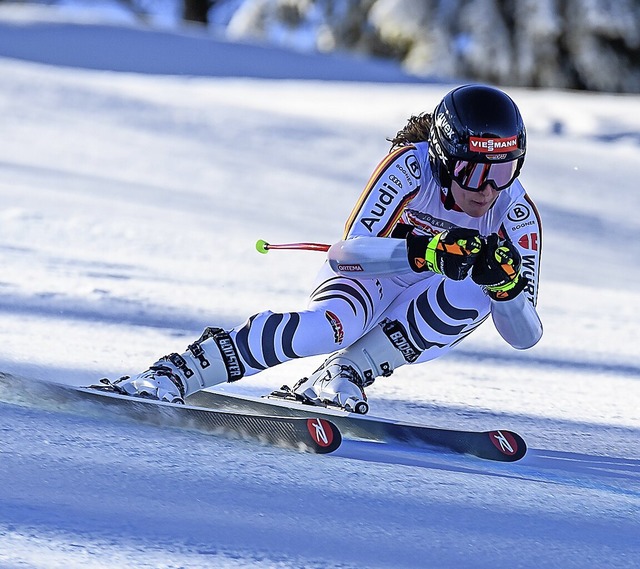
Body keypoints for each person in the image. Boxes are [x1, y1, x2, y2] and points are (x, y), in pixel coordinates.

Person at [101, 84, 543, 414]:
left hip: (422, 295)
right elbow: (347, 255)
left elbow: (526, 336)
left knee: (479, 290)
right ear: (443, 159)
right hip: (373, 276)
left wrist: (507, 290)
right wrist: (427, 251)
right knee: (330, 328)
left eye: (503, 171)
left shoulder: (516, 214)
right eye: (471, 171)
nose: (487, 189)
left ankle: (345, 373)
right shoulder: (411, 166)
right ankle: (179, 370)